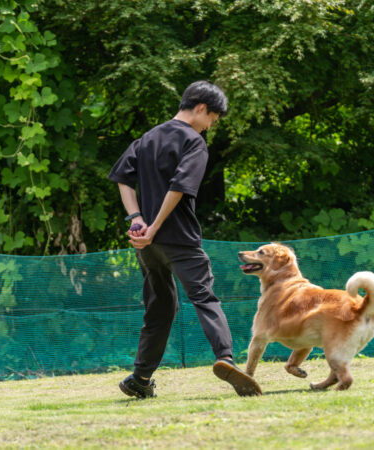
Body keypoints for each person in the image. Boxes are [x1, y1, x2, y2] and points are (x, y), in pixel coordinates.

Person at [108, 80, 262, 398]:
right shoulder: (193, 142)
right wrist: (155, 226)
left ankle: (140, 378)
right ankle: (225, 358)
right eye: (212, 120)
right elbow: (179, 187)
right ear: (202, 108)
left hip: (148, 245)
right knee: (204, 297)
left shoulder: (148, 137)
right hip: (179, 238)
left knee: (159, 307)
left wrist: (138, 220)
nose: (209, 127)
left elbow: (123, 177)